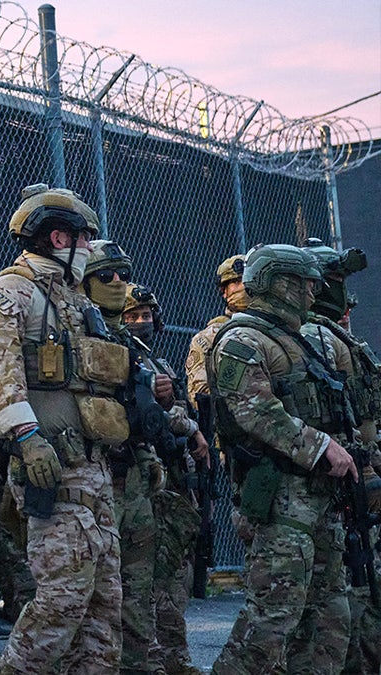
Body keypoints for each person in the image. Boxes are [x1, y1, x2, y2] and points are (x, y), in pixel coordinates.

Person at [0, 184, 124, 674]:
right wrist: (27, 439)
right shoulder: (11, 292)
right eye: (84, 238)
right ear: (59, 237)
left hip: (91, 469)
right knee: (61, 601)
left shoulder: (75, 300)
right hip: (50, 468)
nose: (89, 249)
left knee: (103, 608)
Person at [208, 244, 355, 674]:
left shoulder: (298, 341)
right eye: (307, 284)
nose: (314, 293)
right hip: (280, 500)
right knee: (270, 623)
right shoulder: (242, 340)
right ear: (280, 284)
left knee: (329, 619)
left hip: (318, 499)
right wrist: (321, 447)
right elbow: (253, 410)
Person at [81, 241, 169, 675]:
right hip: (86, 476)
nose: (117, 282)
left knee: (135, 584)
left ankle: (137, 663)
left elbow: (134, 410)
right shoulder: (72, 330)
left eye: (122, 273)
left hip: (129, 472)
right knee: (88, 590)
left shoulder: (127, 341)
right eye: (105, 275)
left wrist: (147, 452)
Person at [298, 239, 380, 675]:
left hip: (361, 481)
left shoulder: (338, 338)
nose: (344, 297)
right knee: (350, 601)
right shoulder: (313, 338)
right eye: (334, 283)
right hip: (342, 490)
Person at [122, 283, 207, 675]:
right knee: (148, 580)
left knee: (175, 577)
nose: (142, 323)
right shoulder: (125, 359)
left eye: (146, 317)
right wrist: (189, 427)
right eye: (133, 317)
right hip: (142, 481)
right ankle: (152, 660)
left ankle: (176, 659)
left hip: (171, 481)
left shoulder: (160, 364)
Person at [184, 254, 248, 408]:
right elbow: (200, 396)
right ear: (224, 291)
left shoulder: (280, 328)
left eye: (247, 280)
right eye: (238, 282)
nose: (245, 286)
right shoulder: (211, 337)